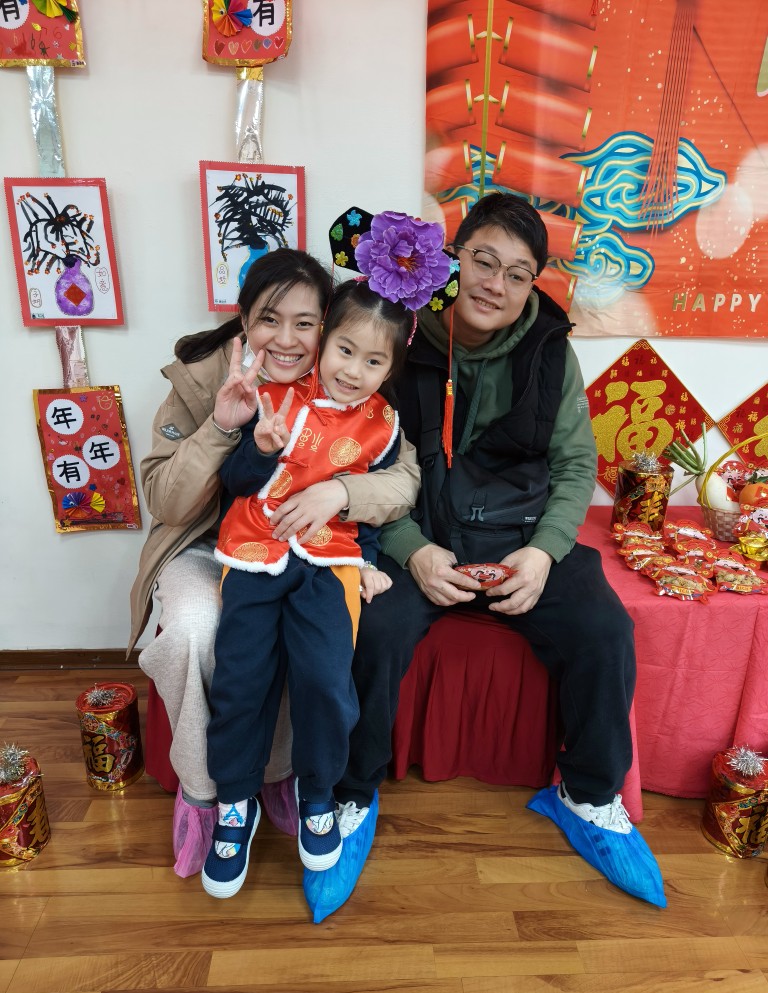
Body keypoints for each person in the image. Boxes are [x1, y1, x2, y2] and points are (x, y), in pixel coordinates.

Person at [306, 192, 665, 921]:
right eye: (483, 261)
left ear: (533, 284)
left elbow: (575, 466)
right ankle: (352, 794)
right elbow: (364, 460)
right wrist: (412, 551)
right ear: (453, 259)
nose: (496, 284)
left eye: (518, 273)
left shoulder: (551, 352)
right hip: (418, 533)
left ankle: (587, 797)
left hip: (521, 536)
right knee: (372, 628)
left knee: (605, 631)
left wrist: (543, 555)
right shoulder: (399, 336)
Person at [127, 249, 421, 878]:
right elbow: (170, 503)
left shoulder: (356, 397)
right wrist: (222, 427)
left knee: (320, 662)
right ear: (243, 318)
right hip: (207, 542)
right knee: (200, 637)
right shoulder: (204, 376)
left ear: (327, 326)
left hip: (314, 548)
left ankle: (297, 785)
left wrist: (343, 501)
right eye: (269, 319)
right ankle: (212, 796)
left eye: (305, 323)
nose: (286, 340)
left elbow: (397, 478)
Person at [200, 277, 415, 899]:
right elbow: (236, 483)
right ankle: (235, 803)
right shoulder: (271, 396)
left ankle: (317, 794)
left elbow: (371, 504)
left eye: (373, 361)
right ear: (324, 339)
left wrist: (367, 559)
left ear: (391, 368)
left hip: (328, 562)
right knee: (241, 679)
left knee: (326, 680)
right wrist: (261, 450)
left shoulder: (384, 426)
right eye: (345, 350)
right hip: (255, 553)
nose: (353, 370)